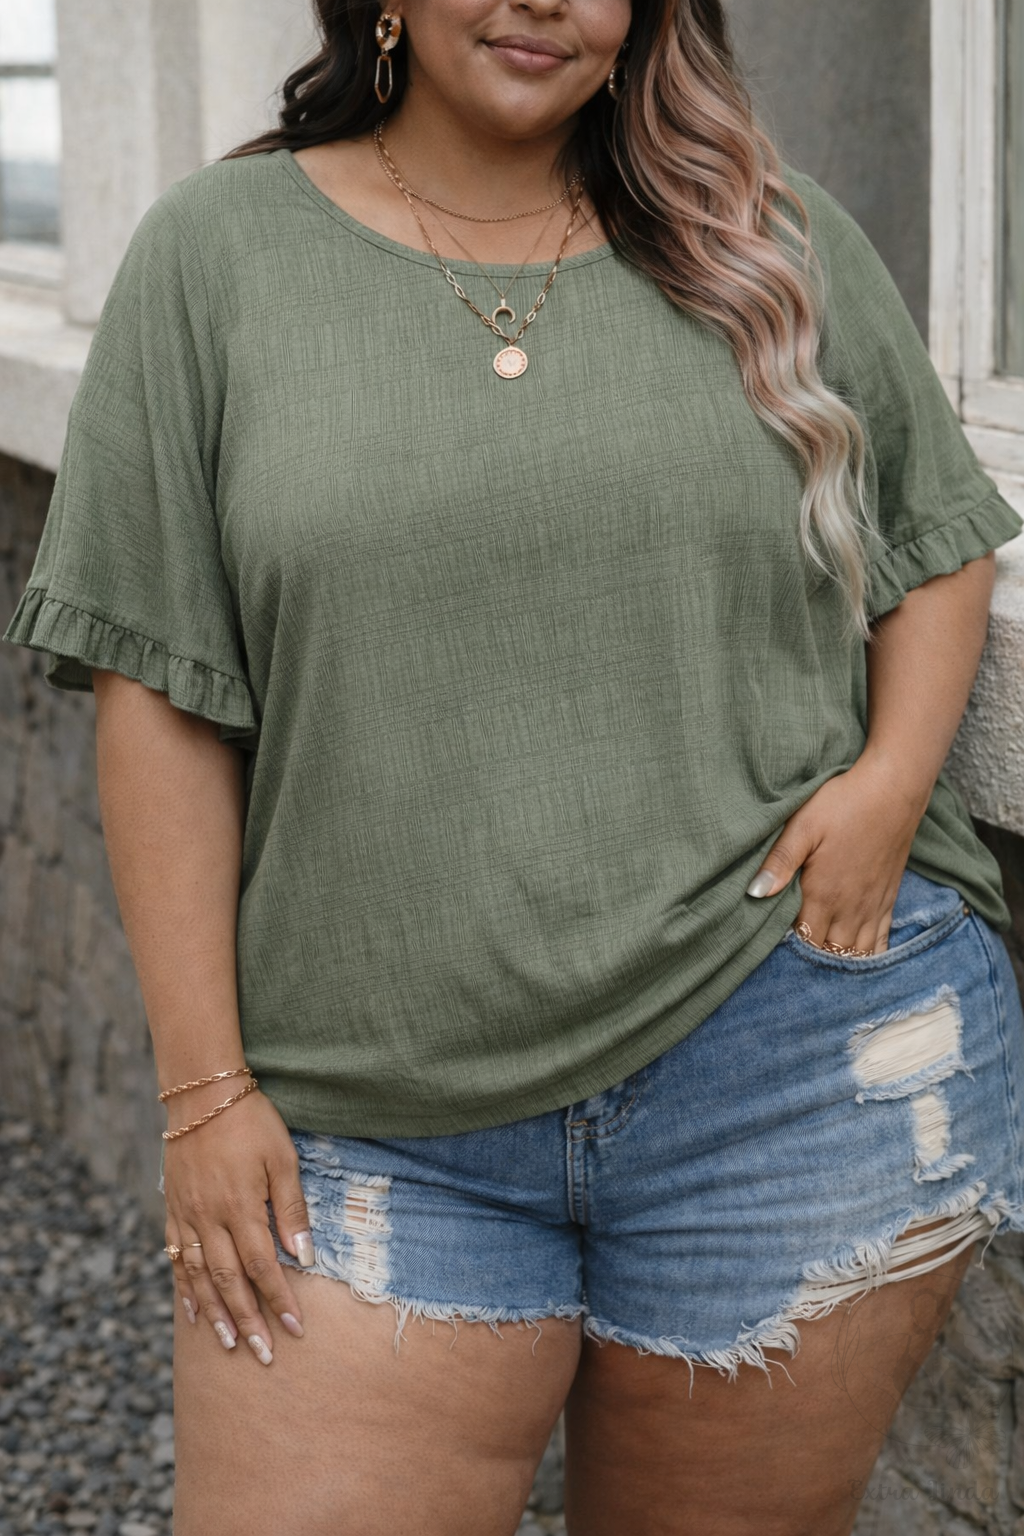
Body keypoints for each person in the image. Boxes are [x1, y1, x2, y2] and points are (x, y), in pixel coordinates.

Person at [5, 0, 1024, 1531]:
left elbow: (936, 542)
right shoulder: (213, 259)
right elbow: (156, 693)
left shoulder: (766, 238)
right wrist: (204, 1093)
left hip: (793, 1062)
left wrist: (886, 792)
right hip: (368, 1098)